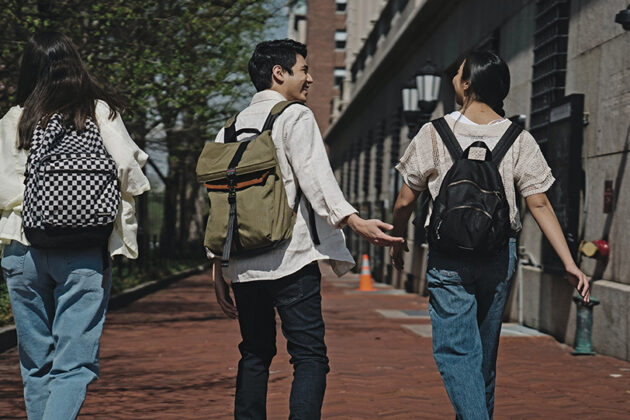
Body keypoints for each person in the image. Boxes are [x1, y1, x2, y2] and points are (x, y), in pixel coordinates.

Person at [390, 51, 590, 420]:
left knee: (456, 351)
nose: (453, 78)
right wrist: (569, 262)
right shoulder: (519, 138)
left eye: (458, 73)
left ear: (467, 84)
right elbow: (540, 204)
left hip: (448, 255)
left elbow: (405, 200)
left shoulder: (434, 134)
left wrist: (398, 239)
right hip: (499, 256)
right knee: (483, 353)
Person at [210, 39, 403, 420]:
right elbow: (316, 177)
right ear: (278, 73)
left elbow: (219, 203)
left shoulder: (227, 131)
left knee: (254, 353)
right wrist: (353, 220)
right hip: (290, 257)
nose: (310, 78)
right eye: (303, 70)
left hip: (243, 263)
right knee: (309, 355)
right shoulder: (294, 117)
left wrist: (217, 264)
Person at [0, 31, 150, 420]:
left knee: (36, 366)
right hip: (83, 250)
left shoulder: (14, 119)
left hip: (23, 252)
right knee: (74, 366)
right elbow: (128, 170)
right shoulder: (97, 111)